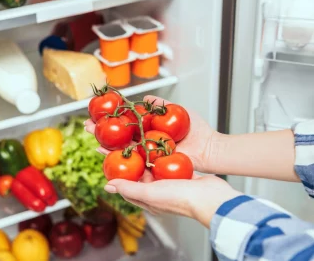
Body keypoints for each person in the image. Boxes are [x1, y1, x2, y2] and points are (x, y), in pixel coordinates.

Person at [84, 95, 314, 261]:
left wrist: (204, 202)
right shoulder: (154, 142)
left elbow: (284, 251)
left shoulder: (150, 144)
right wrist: (214, 148)